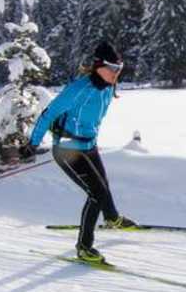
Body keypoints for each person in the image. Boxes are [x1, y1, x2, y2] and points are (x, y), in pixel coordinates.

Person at [27, 41, 137, 263]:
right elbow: (48, 114)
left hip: (88, 146)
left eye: (120, 69)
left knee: (103, 186)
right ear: (99, 66)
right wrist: (32, 144)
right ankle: (84, 248)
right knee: (96, 194)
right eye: (114, 69)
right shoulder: (78, 89)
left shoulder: (107, 88)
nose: (117, 74)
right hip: (67, 150)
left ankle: (112, 218)